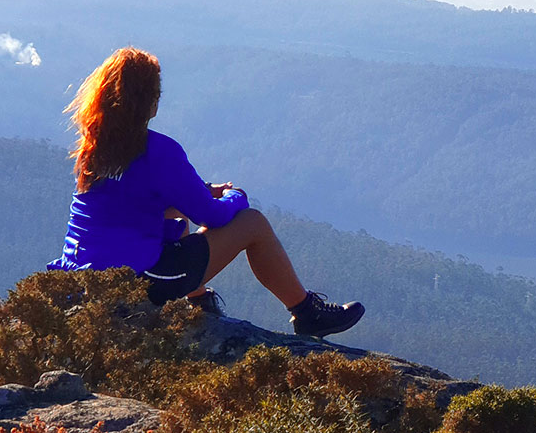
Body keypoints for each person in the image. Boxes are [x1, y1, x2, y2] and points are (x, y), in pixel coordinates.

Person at [46, 47, 364, 338]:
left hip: (82, 284)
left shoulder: (94, 148)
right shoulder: (158, 151)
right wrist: (234, 196)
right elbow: (212, 216)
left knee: (174, 219)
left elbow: (134, 204)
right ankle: (306, 312)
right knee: (252, 224)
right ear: (151, 101)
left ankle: (199, 304)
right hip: (139, 284)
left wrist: (202, 191)